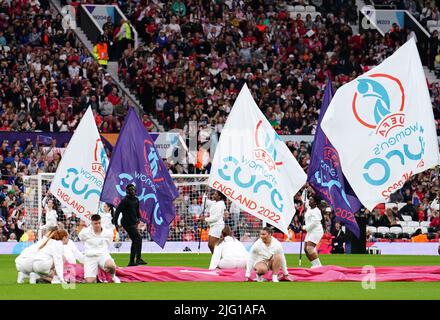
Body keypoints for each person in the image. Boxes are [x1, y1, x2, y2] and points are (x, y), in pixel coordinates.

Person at [78, 214, 120, 283]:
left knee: (111, 265)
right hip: (90, 257)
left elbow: (109, 242)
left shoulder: (107, 232)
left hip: (102, 254)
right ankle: (98, 275)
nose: (97, 225)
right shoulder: (85, 232)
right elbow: (81, 238)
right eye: (95, 223)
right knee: (89, 281)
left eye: (99, 223)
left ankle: (113, 277)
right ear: (91, 223)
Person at [113, 184, 146, 266]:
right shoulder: (125, 200)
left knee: (137, 239)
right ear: (127, 191)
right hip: (126, 223)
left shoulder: (136, 200)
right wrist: (116, 224)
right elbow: (117, 212)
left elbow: (137, 210)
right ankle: (134, 260)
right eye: (131, 190)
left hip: (133, 222)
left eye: (134, 190)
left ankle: (136, 260)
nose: (133, 191)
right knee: (137, 239)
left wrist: (138, 219)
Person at [199, 188, 227, 253]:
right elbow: (204, 201)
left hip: (218, 225)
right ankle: (216, 259)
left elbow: (216, 218)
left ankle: (218, 259)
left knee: (212, 245)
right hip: (213, 225)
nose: (213, 195)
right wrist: (206, 192)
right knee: (210, 245)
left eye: (215, 194)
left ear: (219, 196)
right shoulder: (214, 202)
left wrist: (205, 219)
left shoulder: (221, 204)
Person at [302, 195, 324, 268]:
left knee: (309, 248)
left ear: (315, 202)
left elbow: (314, 223)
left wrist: (305, 227)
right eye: (309, 200)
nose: (309, 201)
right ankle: (314, 265)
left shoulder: (317, 211)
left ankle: (319, 265)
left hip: (316, 231)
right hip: (310, 231)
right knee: (305, 249)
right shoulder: (308, 208)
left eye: (311, 200)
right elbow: (303, 199)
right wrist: (305, 189)